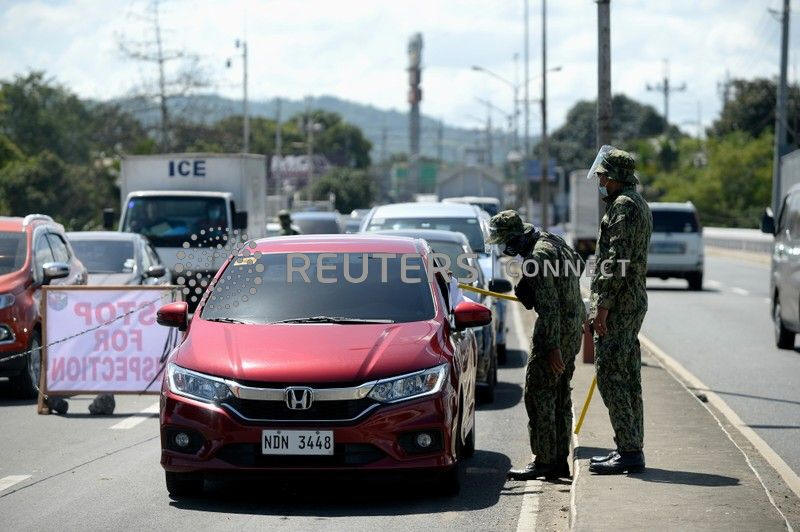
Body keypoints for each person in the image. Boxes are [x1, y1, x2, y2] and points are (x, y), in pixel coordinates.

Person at [487, 210, 586, 480]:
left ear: (516, 238)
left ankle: (544, 460)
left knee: (539, 395)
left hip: (554, 334)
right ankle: (558, 460)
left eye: (506, 242)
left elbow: (549, 307)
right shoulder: (553, 240)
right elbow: (579, 266)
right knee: (560, 396)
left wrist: (552, 347)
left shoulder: (537, 258)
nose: (505, 248)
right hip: (571, 329)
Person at [586, 146, 652, 475]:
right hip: (629, 300)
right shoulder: (635, 202)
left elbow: (616, 260)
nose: (600, 181)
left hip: (620, 304)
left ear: (615, 177)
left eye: (603, 177)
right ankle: (630, 446)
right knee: (628, 377)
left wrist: (603, 308)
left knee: (611, 376)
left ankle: (629, 450)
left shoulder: (624, 205)